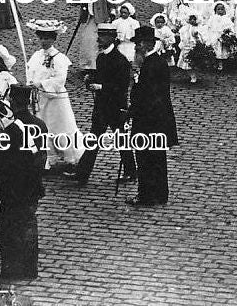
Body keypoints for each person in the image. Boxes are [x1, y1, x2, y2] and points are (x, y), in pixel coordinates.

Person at [71, 24, 136, 185]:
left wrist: (101, 86)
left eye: (103, 36)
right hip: (101, 107)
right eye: (99, 35)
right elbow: (100, 78)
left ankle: (130, 172)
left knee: (122, 142)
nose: (99, 39)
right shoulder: (101, 57)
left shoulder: (121, 61)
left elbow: (121, 87)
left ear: (112, 38)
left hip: (115, 108)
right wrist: (90, 81)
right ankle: (82, 173)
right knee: (93, 141)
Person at [0, 85, 47, 280]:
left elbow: (3, 160)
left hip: (13, 187)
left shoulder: (10, 130)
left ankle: (11, 269)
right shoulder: (40, 124)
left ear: (13, 103)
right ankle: (29, 269)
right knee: (29, 227)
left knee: (8, 229)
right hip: (33, 185)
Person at [126, 26, 177, 206]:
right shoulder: (154, 62)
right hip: (157, 121)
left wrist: (133, 110)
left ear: (146, 45)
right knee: (157, 158)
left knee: (146, 158)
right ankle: (160, 194)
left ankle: (146, 195)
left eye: (137, 46)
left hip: (150, 122)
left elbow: (149, 96)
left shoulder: (151, 65)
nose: (135, 50)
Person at [25, 20, 84, 172]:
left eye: (47, 38)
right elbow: (31, 72)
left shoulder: (58, 58)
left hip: (55, 99)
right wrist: (31, 83)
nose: (44, 41)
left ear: (54, 39)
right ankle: (46, 160)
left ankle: (72, 158)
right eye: (41, 38)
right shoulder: (37, 56)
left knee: (60, 127)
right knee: (42, 126)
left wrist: (41, 84)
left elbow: (59, 80)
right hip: (39, 99)